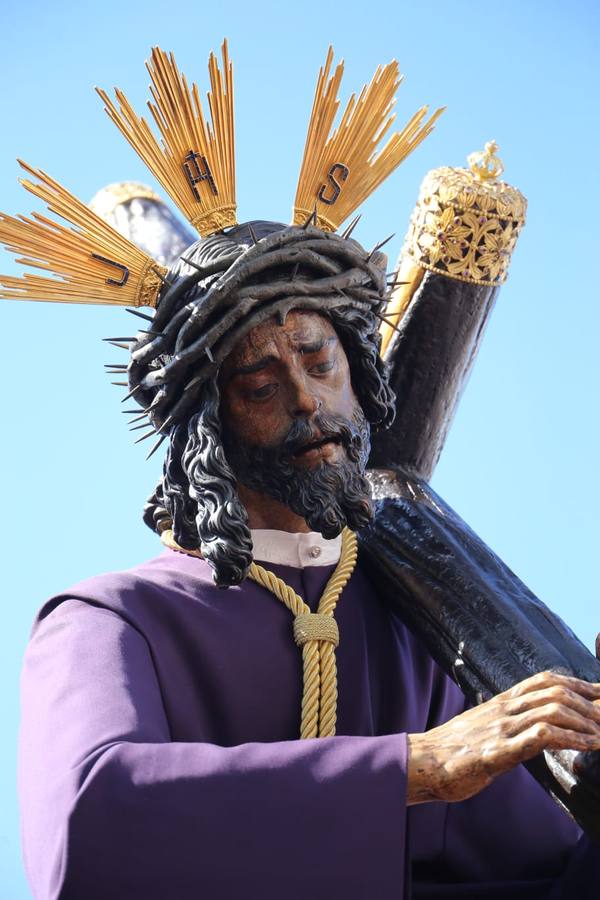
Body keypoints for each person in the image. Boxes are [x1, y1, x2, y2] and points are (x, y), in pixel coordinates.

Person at [5, 45, 600, 899]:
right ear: (208, 424)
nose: (309, 401)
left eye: (319, 359)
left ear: (358, 369)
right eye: (258, 383)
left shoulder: (427, 638)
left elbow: (550, 878)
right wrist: (412, 767)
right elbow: (85, 822)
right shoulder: (112, 622)